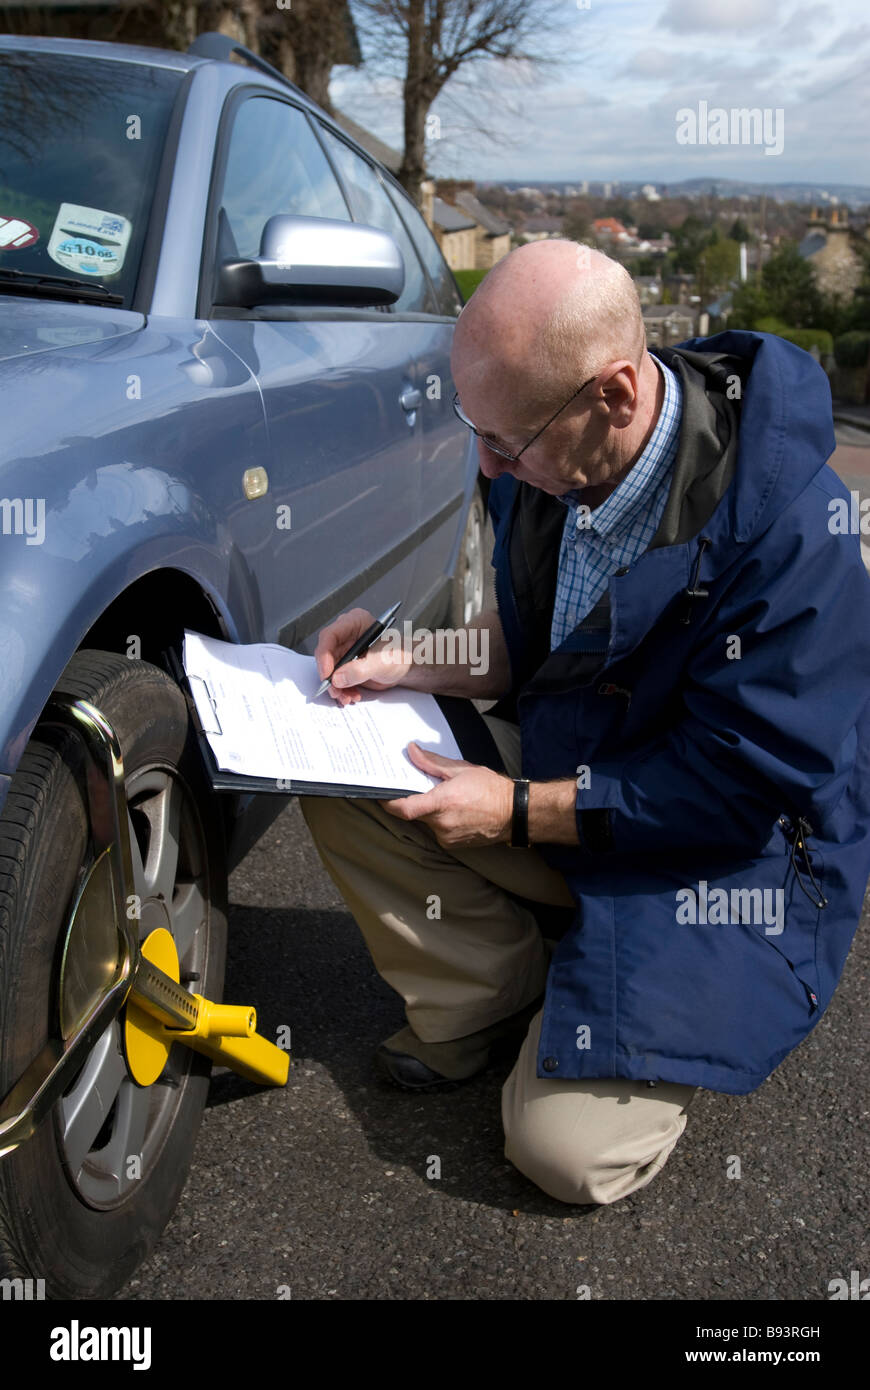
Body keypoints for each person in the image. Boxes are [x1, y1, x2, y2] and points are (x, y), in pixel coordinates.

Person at [298, 242, 870, 1206]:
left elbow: (737, 792)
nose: (486, 463)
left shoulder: (800, 535)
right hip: (580, 779)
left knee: (564, 1156)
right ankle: (492, 989)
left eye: (505, 442)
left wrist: (516, 812)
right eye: (473, 428)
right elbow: (530, 645)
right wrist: (407, 661)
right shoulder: (545, 455)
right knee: (352, 769)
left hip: (724, 859)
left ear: (612, 394)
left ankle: (570, 955)